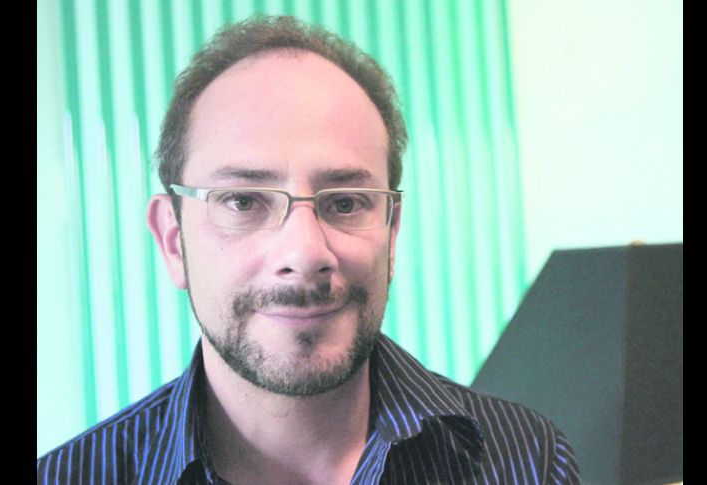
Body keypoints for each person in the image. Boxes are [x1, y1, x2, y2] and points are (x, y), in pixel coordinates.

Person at [37, 15, 580, 485]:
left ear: (392, 232)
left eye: (345, 203)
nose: (304, 251)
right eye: (243, 201)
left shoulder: (526, 459)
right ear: (173, 241)